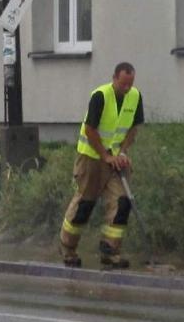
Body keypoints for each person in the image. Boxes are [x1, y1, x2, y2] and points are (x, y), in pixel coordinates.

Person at [59, 62, 144, 269]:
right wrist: (105, 156)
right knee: (85, 205)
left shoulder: (135, 96)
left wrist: (123, 152)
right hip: (91, 158)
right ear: (114, 78)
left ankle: (110, 251)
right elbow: (90, 130)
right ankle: (68, 248)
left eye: (130, 84)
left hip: (115, 159)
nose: (127, 88)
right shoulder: (100, 96)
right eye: (123, 83)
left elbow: (133, 128)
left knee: (122, 202)